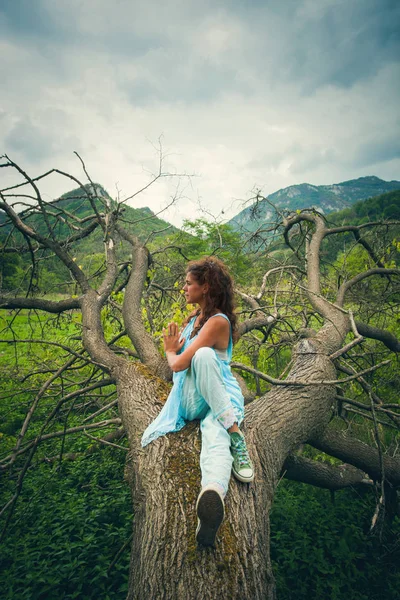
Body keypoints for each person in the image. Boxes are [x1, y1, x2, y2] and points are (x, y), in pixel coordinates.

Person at [141, 257, 254, 547]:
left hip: (218, 397)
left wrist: (172, 353)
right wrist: (172, 350)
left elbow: (177, 363)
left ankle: (212, 495)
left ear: (205, 287)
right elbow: (179, 364)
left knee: (215, 434)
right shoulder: (194, 321)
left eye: (188, 283)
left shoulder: (218, 322)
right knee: (202, 357)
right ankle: (235, 431)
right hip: (192, 398)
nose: (183, 288)